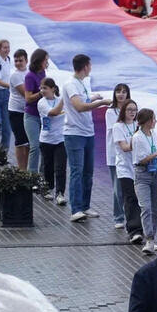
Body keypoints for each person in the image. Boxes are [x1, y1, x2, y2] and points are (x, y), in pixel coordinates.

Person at [63, 54, 111, 222]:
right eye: (90, 65)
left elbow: (84, 100)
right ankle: (76, 209)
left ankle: (85, 205)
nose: (91, 68)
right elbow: (80, 106)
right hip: (74, 133)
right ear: (85, 66)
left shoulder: (82, 83)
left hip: (87, 132)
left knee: (88, 172)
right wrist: (102, 102)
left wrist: (94, 97)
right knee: (77, 170)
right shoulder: (70, 84)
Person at [132, 108, 157, 250]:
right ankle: (149, 238)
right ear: (147, 121)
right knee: (145, 206)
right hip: (142, 173)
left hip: (155, 171)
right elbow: (142, 159)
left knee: (155, 208)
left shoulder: (154, 134)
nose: (155, 121)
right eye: (153, 119)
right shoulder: (137, 137)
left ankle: (153, 237)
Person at [114, 98, 144, 243]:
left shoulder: (139, 126)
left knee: (141, 199)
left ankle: (142, 227)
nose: (132, 112)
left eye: (134, 110)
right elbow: (125, 147)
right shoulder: (118, 127)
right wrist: (137, 139)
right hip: (125, 169)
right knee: (130, 198)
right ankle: (134, 230)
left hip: (139, 168)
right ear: (124, 111)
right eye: (129, 110)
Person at [38, 77, 67, 206]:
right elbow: (54, 113)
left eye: (45, 88)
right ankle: (48, 188)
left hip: (61, 139)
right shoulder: (42, 103)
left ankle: (60, 193)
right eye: (41, 88)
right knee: (48, 166)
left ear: (53, 89)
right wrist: (64, 100)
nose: (42, 90)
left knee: (60, 167)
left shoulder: (60, 100)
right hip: (46, 140)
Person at [106, 83, 131, 229]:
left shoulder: (132, 111)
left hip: (128, 155)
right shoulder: (111, 112)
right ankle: (118, 216)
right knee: (118, 188)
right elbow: (117, 127)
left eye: (124, 92)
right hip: (114, 155)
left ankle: (129, 215)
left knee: (128, 187)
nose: (121, 94)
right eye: (118, 91)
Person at [24, 48, 49, 172]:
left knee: (45, 145)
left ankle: (43, 175)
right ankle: (31, 176)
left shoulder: (42, 73)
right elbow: (28, 98)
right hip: (31, 116)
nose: (47, 62)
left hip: (43, 115)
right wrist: (41, 93)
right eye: (45, 60)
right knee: (35, 145)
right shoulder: (30, 76)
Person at [8, 49, 29, 169]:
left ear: (26, 60)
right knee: (20, 141)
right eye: (16, 61)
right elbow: (26, 93)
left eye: (21, 60)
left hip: (27, 112)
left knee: (28, 142)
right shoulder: (15, 75)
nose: (18, 63)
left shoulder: (29, 73)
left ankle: (27, 168)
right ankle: (22, 169)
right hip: (16, 111)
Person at [0, 39, 12, 150]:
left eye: (8, 47)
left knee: (7, 126)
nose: (7, 50)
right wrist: (12, 86)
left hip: (6, 95)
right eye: (4, 47)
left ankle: (4, 151)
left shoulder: (8, 60)